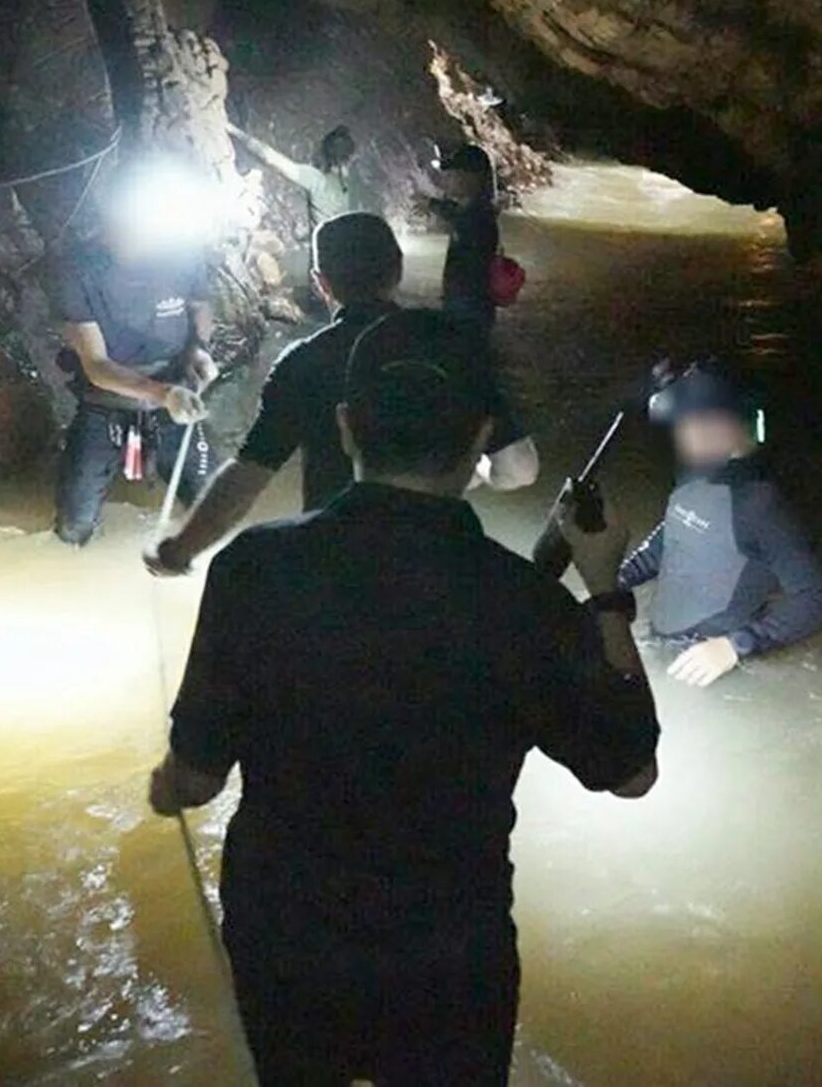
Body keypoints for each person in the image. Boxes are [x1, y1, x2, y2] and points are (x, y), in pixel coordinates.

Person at [148, 309, 660, 1085]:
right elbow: (630, 771)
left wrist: (166, 786)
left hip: (287, 940)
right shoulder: (522, 602)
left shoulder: (253, 568)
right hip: (448, 957)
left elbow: (195, 779)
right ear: (482, 435)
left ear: (348, 427)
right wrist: (603, 588)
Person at [145, 212, 538, 576]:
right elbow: (521, 470)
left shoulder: (304, 362)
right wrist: (477, 469)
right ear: (398, 267)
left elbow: (247, 477)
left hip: (331, 562)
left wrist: (180, 550)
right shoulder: (449, 349)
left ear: (321, 282)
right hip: (437, 565)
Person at [619, 360, 822, 687]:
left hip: (710, 667)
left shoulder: (761, 504)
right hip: (661, 646)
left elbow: (815, 598)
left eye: (691, 422)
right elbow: (672, 537)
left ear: (729, 425)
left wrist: (736, 646)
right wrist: (619, 579)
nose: (682, 434)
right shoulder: (695, 473)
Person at [48, 179, 218, 546]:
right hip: (106, 402)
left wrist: (199, 349)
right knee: (73, 526)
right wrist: (161, 393)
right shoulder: (77, 270)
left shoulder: (183, 252)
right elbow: (95, 363)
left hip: (177, 394)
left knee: (213, 507)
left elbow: (200, 305)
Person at [229, 123, 359, 232]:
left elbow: (270, 158)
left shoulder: (318, 181)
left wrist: (234, 131)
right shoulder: (351, 188)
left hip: (325, 256)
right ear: (350, 158)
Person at [426, 142, 500, 331]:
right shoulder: (476, 210)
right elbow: (456, 214)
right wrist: (431, 204)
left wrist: (435, 207)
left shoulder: (478, 217)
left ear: (471, 178)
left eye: (452, 174)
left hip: (469, 306)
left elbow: (462, 221)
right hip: (467, 302)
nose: (445, 179)